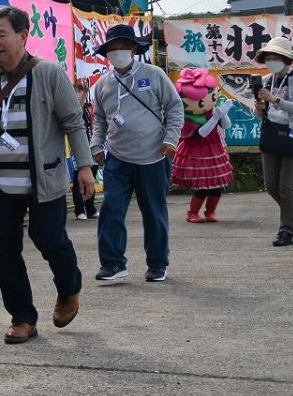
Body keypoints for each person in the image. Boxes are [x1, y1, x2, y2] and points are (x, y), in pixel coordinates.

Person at [0, 6, 96, 345]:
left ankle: (69, 287)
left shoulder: (49, 74)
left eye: (2, 34)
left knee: (50, 239)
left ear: (23, 36)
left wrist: (84, 166)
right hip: (1, 185)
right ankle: (22, 317)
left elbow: (73, 121)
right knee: (5, 250)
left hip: (45, 180)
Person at [90, 24, 183, 283]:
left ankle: (157, 264)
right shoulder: (102, 85)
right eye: (112, 48)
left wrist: (171, 139)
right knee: (111, 209)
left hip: (154, 156)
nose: (118, 52)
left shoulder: (154, 75)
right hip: (117, 157)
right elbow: (100, 120)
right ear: (107, 52)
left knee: (153, 212)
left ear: (133, 49)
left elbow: (174, 107)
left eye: (123, 46)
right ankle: (112, 263)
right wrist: (96, 146)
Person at [251, 37, 293, 247]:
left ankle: (286, 230)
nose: (271, 61)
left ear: (286, 58)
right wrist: (259, 106)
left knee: (286, 187)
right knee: (271, 186)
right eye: (268, 57)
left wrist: (275, 100)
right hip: (272, 135)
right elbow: (260, 114)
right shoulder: (267, 79)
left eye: (275, 57)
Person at [172, 68, 233, 224]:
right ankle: (192, 212)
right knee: (203, 185)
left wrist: (223, 114)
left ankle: (210, 211)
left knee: (217, 185)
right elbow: (201, 133)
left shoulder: (212, 110)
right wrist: (215, 117)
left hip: (214, 149)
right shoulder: (187, 118)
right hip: (196, 151)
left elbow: (226, 125)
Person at [71, 80, 100, 220]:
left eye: (82, 93)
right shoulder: (71, 109)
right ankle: (79, 210)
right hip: (76, 150)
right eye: (77, 92)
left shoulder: (89, 109)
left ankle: (90, 208)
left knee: (91, 177)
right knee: (78, 181)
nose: (79, 96)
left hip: (91, 147)